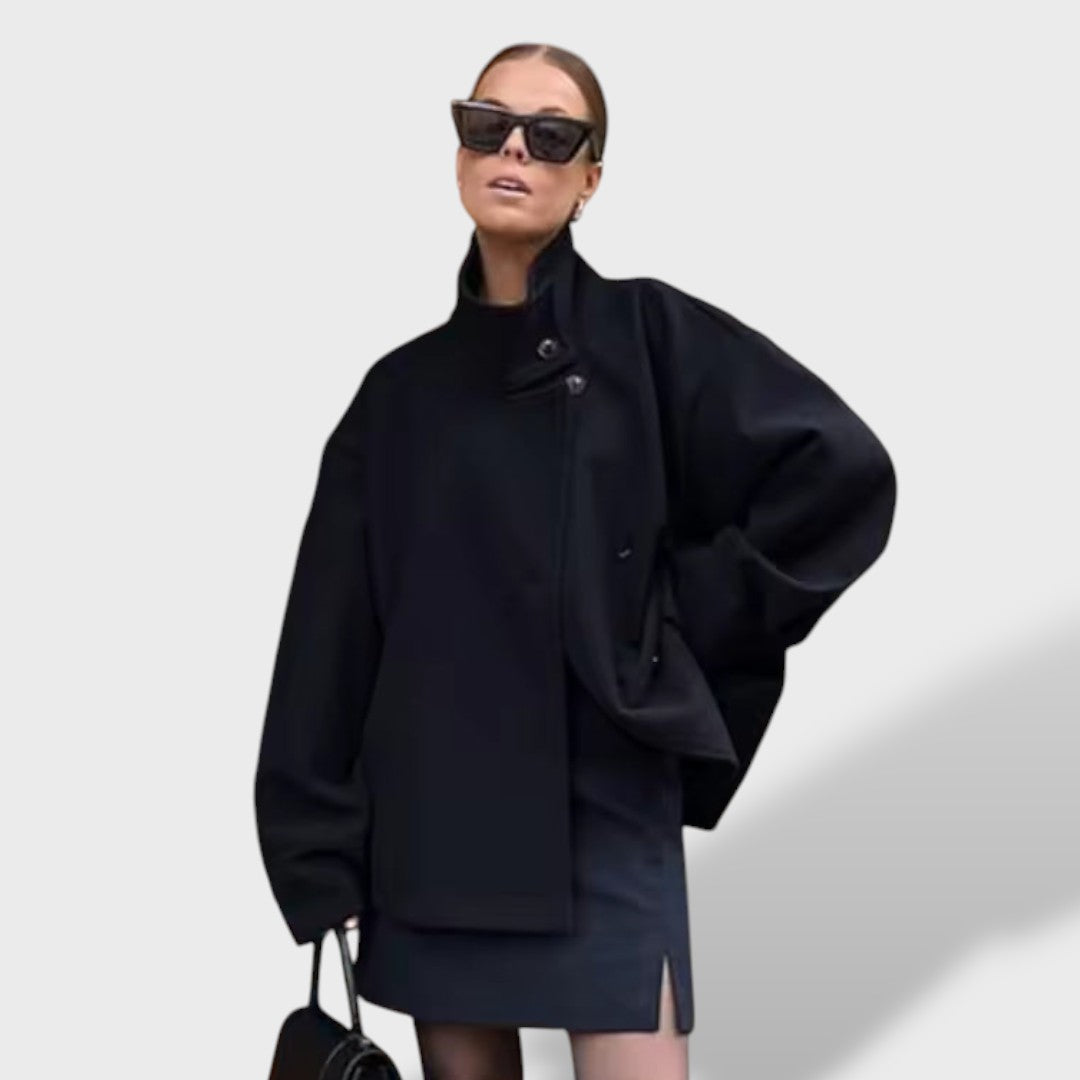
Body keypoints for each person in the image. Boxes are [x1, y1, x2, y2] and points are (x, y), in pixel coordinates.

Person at [254, 41, 897, 1080]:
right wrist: (317, 856)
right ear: (459, 151)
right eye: (487, 125)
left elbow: (839, 477)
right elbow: (329, 640)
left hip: (603, 809)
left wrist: (664, 630)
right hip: (435, 829)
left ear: (590, 177)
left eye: (552, 135)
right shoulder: (396, 397)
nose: (515, 148)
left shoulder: (650, 335)